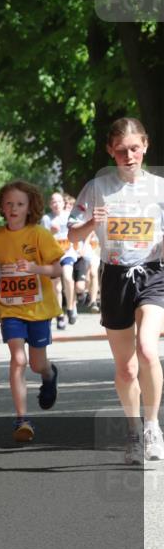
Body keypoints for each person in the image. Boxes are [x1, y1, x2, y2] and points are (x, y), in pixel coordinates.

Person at [68, 117, 164, 464]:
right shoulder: (99, 186)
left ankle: (153, 426)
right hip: (114, 277)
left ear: (146, 145)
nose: (129, 156)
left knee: (148, 350)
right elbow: (74, 236)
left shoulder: (160, 189)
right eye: (121, 150)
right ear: (111, 150)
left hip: (153, 274)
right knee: (125, 368)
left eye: (135, 148)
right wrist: (94, 221)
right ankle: (134, 431)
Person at [0, 181, 63, 442]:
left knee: (37, 364)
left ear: (30, 207)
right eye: (9, 204)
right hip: (10, 308)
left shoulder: (39, 234)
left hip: (39, 308)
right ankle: (22, 420)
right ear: (1, 207)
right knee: (18, 360)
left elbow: (57, 269)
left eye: (19, 204)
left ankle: (50, 375)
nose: (14, 208)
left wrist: (35, 268)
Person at [41, 192, 78, 329]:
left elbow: (77, 233)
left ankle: (70, 308)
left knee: (68, 278)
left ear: (64, 203)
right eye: (53, 202)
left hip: (67, 252)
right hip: (52, 256)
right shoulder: (46, 219)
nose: (56, 204)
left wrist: (77, 247)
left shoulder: (69, 216)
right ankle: (60, 315)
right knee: (56, 287)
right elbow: (42, 239)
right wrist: (50, 232)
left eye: (59, 201)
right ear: (50, 205)